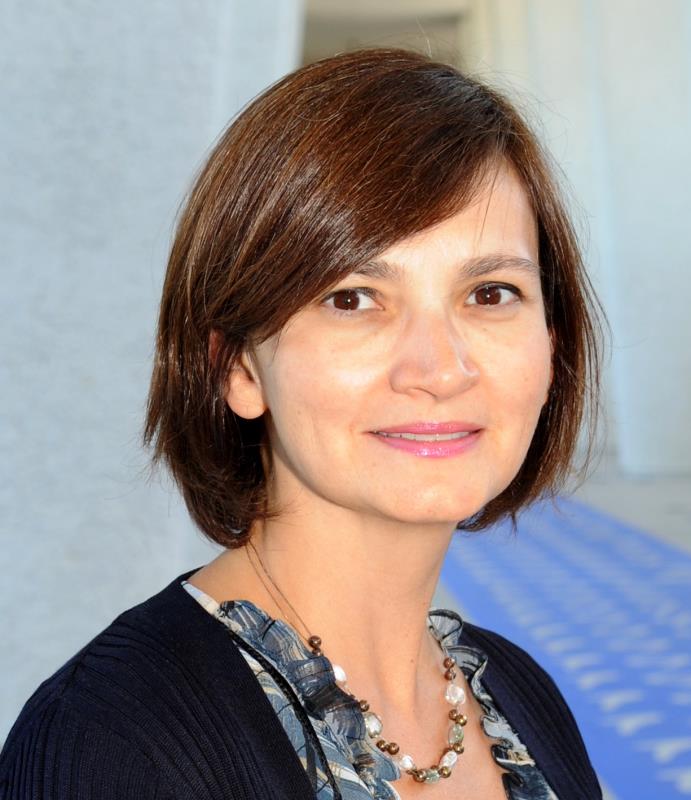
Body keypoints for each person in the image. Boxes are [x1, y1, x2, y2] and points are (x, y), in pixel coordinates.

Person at [0, 48, 607, 799]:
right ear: (238, 367)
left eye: (490, 293)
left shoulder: (519, 692)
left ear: (552, 344)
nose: (441, 368)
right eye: (352, 299)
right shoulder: (112, 743)